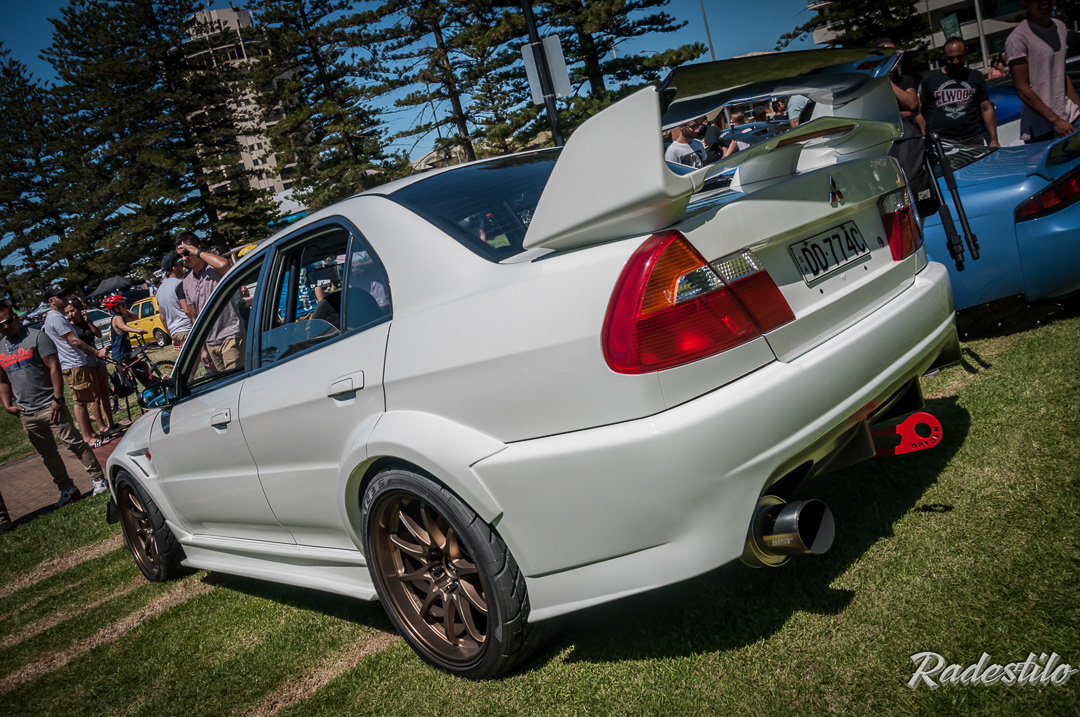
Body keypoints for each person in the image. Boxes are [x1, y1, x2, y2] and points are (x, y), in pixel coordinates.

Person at [0, 301, 108, 502]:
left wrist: (57, 398)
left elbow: (54, 367)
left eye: (8, 320)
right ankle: (67, 489)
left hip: (50, 406)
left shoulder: (37, 337)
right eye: (1, 325)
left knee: (75, 443)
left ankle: (99, 479)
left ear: (15, 317)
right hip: (26, 412)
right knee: (47, 453)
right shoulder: (0, 348)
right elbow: (3, 379)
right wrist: (7, 405)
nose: (6, 326)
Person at [41, 285, 110, 449]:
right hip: (72, 364)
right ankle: (87, 437)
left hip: (75, 363)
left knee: (84, 400)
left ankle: (91, 433)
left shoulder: (56, 317)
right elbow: (74, 340)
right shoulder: (56, 318)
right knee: (80, 402)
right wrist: (96, 353)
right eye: (60, 296)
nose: (64, 297)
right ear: (51, 300)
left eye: (64, 293)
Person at [1006, 0, 1080, 143]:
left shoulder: (1060, 27)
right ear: (1025, 3)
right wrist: (1055, 120)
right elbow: (1021, 88)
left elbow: (1061, 74)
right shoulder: (1017, 39)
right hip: (1043, 128)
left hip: (1072, 115)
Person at [176, 231, 245, 371]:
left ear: (197, 248)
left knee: (235, 380)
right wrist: (202, 349)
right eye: (180, 256)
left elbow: (224, 265)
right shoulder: (187, 282)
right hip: (210, 343)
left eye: (186, 253)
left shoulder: (214, 269)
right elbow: (194, 317)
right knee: (224, 383)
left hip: (231, 336)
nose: (183, 258)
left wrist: (197, 252)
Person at [919, 37, 999, 146]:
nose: (956, 61)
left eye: (960, 57)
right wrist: (923, 138)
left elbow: (986, 108)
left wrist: (994, 139)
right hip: (943, 141)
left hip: (973, 138)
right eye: (950, 58)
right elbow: (920, 112)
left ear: (966, 52)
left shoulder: (975, 76)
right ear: (943, 55)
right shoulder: (930, 80)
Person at [64, 296, 119, 442]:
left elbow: (98, 334)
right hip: (86, 358)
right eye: (67, 312)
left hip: (97, 355)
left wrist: (88, 321)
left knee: (105, 391)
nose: (70, 314)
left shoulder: (86, 322)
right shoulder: (69, 327)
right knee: (95, 395)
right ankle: (101, 426)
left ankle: (110, 423)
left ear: (79, 309)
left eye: (72, 311)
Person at [157, 253, 193, 349]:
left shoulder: (159, 290)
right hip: (187, 330)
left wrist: (172, 337)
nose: (183, 267)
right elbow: (187, 311)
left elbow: (162, 317)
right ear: (174, 268)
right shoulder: (179, 284)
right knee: (205, 356)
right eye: (180, 264)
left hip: (175, 333)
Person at [103, 294, 147, 363]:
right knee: (138, 367)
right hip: (121, 354)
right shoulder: (117, 317)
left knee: (142, 366)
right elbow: (122, 326)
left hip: (127, 352)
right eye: (123, 305)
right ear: (116, 309)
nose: (126, 306)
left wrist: (125, 310)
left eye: (125, 304)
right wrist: (136, 331)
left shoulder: (121, 317)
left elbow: (134, 317)